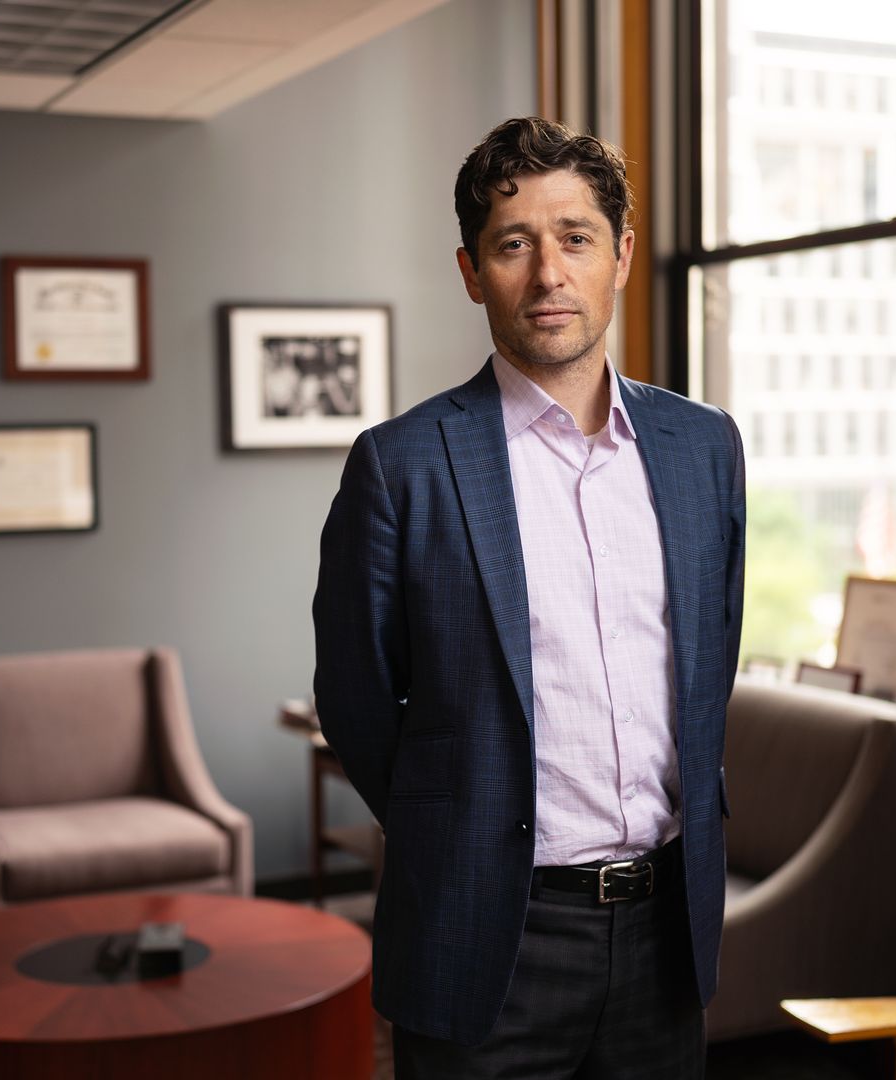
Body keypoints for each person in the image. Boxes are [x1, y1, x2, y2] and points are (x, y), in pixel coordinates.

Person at [313, 116, 747, 1078]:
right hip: (488, 935)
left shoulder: (703, 447)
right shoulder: (401, 467)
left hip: (664, 935)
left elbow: (711, 660)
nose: (549, 273)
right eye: (514, 244)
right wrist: (460, 821)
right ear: (472, 271)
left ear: (622, 255)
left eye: (576, 238)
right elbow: (355, 703)